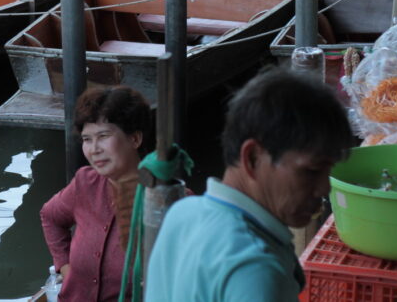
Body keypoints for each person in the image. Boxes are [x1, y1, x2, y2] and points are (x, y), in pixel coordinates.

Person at [145, 70, 354, 301]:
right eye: (311, 171)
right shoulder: (256, 268)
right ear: (253, 157)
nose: (324, 188)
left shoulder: (183, 213)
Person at [40, 86, 153, 302]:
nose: (94, 149)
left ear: (135, 139)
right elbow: (50, 216)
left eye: (103, 136)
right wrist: (65, 267)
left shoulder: (168, 198)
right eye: (86, 139)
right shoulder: (85, 183)